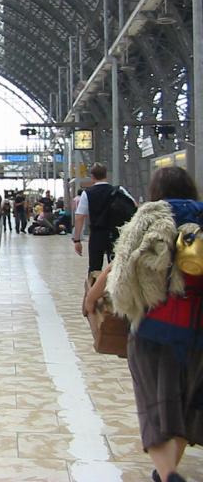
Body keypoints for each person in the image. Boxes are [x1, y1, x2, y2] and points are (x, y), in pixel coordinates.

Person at [83, 166, 203, 482]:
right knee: (183, 401)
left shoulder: (148, 218)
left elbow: (119, 268)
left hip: (153, 329)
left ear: (155, 191)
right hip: (198, 332)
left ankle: (167, 475)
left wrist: (94, 295)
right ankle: (167, 471)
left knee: (154, 402)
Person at [73, 162, 136, 272]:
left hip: (97, 234)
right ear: (106, 175)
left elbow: (79, 217)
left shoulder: (87, 193)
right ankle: (114, 288)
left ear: (92, 176)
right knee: (116, 267)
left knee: (94, 268)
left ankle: (94, 287)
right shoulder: (118, 190)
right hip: (116, 234)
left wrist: (77, 240)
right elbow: (134, 205)